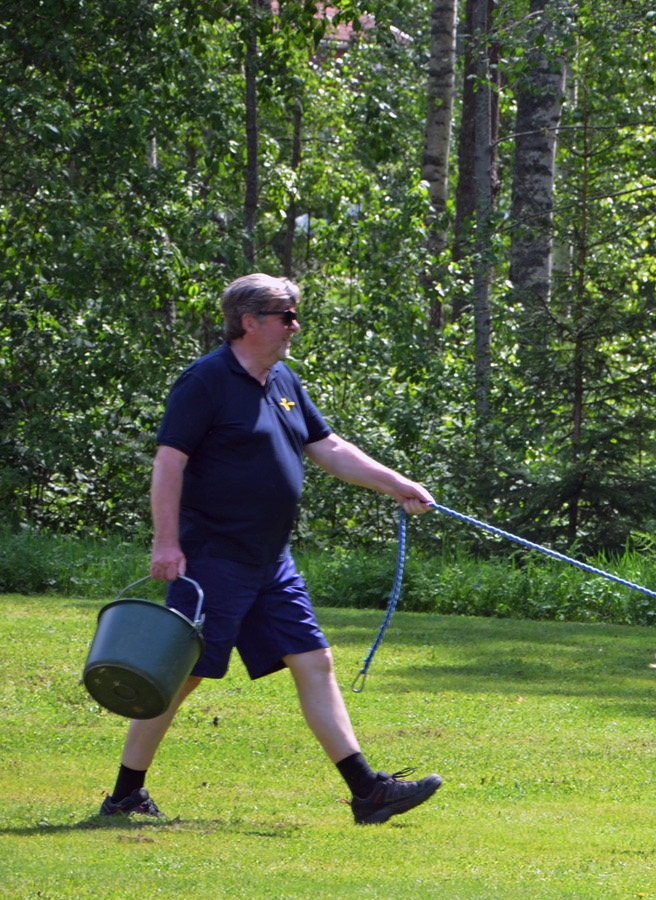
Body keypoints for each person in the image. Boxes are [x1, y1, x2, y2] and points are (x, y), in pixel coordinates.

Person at [99, 274, 445, 825]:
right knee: (177, 674)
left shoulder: (282, 378)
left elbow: (329, 448)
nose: (295, 326)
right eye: (286, 316)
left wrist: (397, 484)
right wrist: (166, 543)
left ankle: (368, 792)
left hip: (270, 560)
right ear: (249, 320)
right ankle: (123, 795)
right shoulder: (205, 382)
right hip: (212, 557)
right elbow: (169, 463)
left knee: (315, 661)